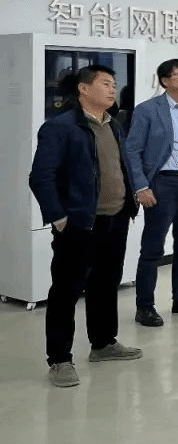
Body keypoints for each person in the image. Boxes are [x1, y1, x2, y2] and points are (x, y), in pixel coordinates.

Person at [29, 65, 143, 387]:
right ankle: (60, 359)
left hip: (116, 218)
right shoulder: (60, 127)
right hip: (80, 224)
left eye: (114, 84)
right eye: (106, 83)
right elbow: (41, 177)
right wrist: (59, 218)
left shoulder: (114, 125)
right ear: (83, 88)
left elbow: (119, 167)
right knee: (66, 291)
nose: (113, 89)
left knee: (106, 284)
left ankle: (103, 343)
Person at [124, 58, 178, 327]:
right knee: (153, 248)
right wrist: (141, 187)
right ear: (165, 80)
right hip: (162, 184)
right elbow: (132, 150)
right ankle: (145, 306)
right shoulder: (147, 110)